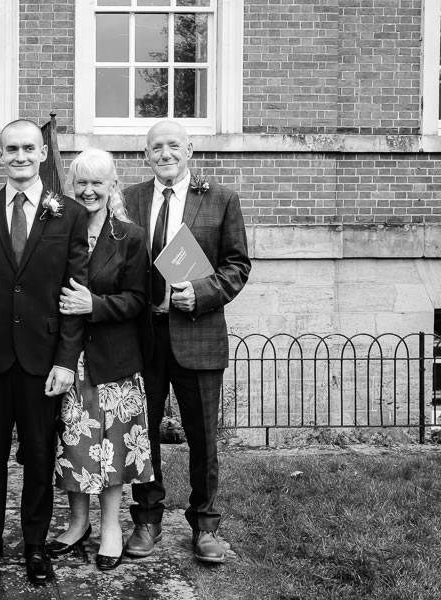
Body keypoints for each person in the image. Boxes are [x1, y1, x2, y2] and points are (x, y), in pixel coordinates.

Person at [0, 119, 89, 585]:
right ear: (0, 156)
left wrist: (66, 361)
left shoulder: (69, 214)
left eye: (29, 148)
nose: (21, 156)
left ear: (43, 153)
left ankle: (35, 544)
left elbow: (75, 294)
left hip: (43, 359)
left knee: (40, 454)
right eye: (12, 149)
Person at [123, 120, 250, 564]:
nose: (165, 154)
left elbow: (237, 265)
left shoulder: (221, 199)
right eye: (156, 147)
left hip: (197, 333)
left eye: (173, 145)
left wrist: (202, 292)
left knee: (203, 438)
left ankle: (206, 525)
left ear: (190, 150)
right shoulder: (129, 199)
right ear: (146, 155)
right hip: (142, 337)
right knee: (142, 436)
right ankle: (147, 520)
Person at [48, 148, 153, 571]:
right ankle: (78, 523)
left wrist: (94, 305)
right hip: (68, 360)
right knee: (74, 446)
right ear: (71, 186)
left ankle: (111, 527)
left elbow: (138, 300)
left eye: (98, 183)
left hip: (114, 362)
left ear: (113, 186)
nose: (88, 190)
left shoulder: (130, 236)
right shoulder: (56, 231)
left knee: (111, 448)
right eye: (81, 183)